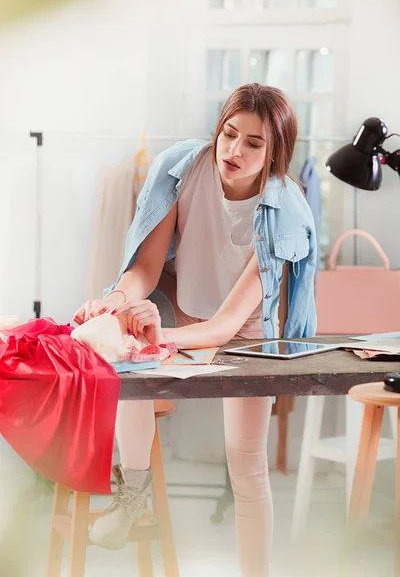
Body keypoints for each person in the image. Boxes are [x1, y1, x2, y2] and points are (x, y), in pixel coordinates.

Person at [73, 83, 317, 576]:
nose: (234, 150)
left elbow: (228, 324)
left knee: (245, 464)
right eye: (229, 133)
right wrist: (117, 302)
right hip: (185, 310)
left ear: (275, 154)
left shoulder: (285, 208)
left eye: (254, 143)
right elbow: (143, 268)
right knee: (123, 358)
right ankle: (133, 491)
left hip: (250, 332)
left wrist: (157, 337)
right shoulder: (181, 169)